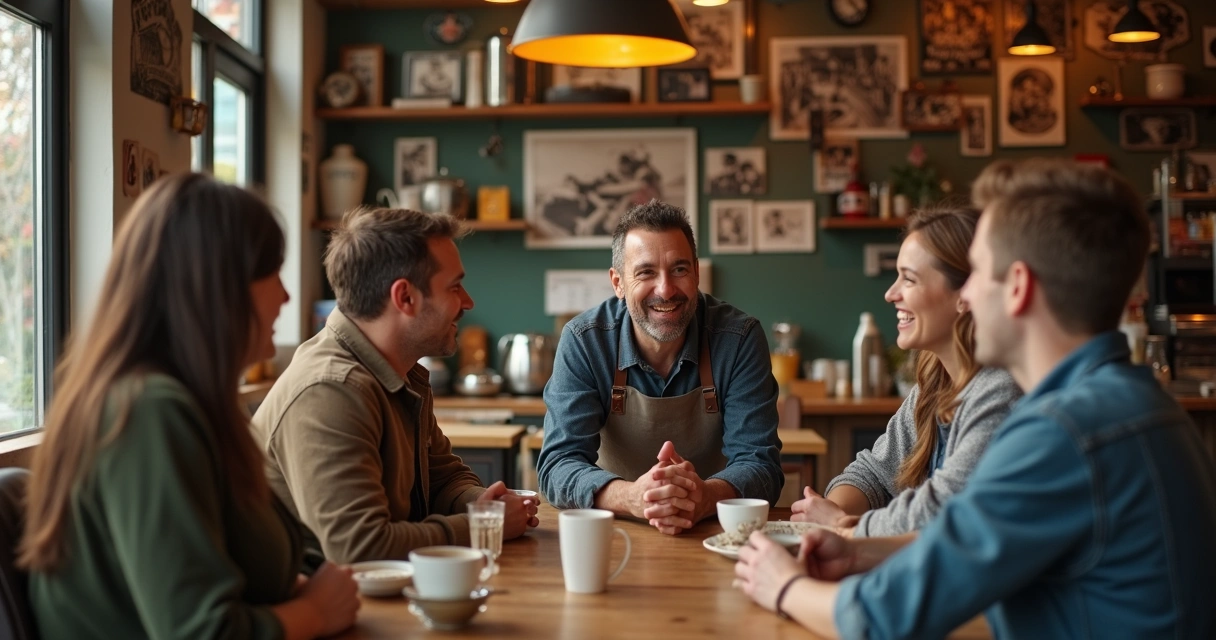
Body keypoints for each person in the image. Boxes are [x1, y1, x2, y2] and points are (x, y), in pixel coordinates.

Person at [734, 159, 1216, 638]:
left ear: (1019, 288)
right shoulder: (1135, 402)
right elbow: (968, 542)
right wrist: (858, 550)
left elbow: (885, 617)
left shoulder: (1062, 433)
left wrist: (783, 585)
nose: (966, 298)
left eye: (979, 272)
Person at [21, 174, 360, 639]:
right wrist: (315, 613)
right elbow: (200, 632)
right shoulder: (147, 413)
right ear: (219, 285)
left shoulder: (190, 404)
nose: (285, 296)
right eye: (272, 273)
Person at [251, 207, 538, 564]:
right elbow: (360, 548)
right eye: (455, 287)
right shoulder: (330, 390)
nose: (468, 302)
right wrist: (484, 526)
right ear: (405, 298)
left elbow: (441, 478)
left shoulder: (400, 371)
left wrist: (480, 502)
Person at [538, 199, 784, 536]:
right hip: (616, 531)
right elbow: (558, 465)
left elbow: (761, 465)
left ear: (696, 273)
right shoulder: (585, 341)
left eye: (679, 269)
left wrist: (704, 496)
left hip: (713, 531)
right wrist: (632, 497)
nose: (665, 289)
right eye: (646, 272)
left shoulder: (738, 338)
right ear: (618, 283)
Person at [790, 207, 1020, 538]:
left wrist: (843, 527)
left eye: (908, 279)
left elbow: (944, 512)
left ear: (965, 294)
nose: (890, 293)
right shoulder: (932, 387)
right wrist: (831, 513)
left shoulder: (1001, 390)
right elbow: (871, 473)